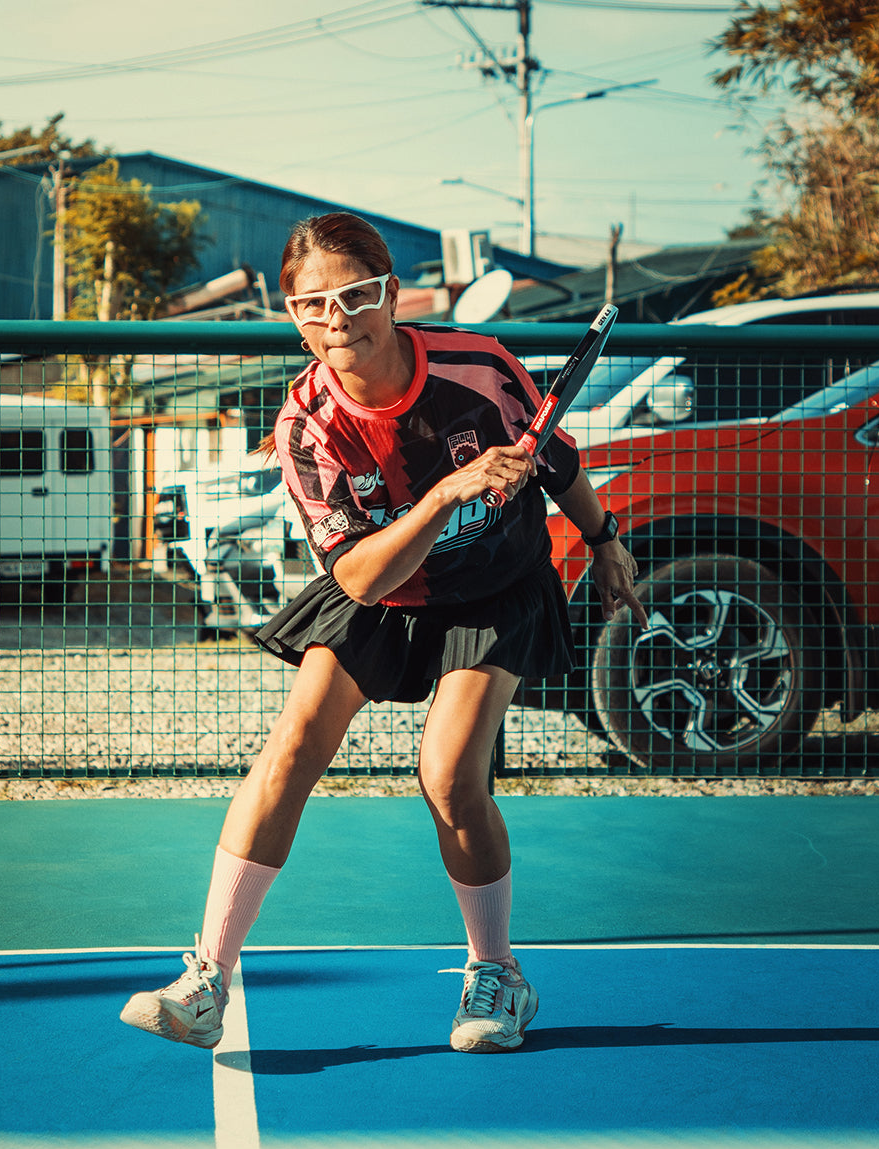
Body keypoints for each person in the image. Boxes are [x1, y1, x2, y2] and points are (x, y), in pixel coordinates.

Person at [121, 212, 646, 1054]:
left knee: (449, 776)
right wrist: (445, 494)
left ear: (391, 294)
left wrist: (605, 538)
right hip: (385, 585)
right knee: (290, 748)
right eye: (312, 304)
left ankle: (498, 975)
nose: (337, 319)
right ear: (294, 317)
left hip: (494, 588)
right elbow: (361, 578)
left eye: (356, 295)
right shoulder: (305, 424)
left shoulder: (480, 369)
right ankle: (207, 979)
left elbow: (557, 462)